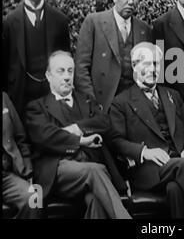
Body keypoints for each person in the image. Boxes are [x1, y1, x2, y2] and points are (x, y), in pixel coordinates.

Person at [108, 42, 184, 219]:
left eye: (156, 64)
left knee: (174, 189)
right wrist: (145, 152)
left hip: (178, 167)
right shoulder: (121, 102)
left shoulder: (173, 95)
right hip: (148, 170)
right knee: (183, 165)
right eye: (146, 64)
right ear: (134, 66)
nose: (152, 69)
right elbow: (116, 141)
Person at [26, 51, 131, 219]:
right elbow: (45, 136)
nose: (67, 77)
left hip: (90, 171)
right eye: (60, 71)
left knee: (96, 201)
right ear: (48, 75)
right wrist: (82, 140)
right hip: (58, 171)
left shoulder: (86, 101)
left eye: (70, 71)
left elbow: (104, 122)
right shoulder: (37, 107)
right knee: (95, 170)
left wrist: (76, 128)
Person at [3, 0, 70, 119]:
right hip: (19, 101)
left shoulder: (60, 21)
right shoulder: (9, 23)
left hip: (52, 102)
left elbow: (66, 62)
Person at [75, 0, 153, 112]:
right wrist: (92, 103)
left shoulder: (144, 29)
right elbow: (81, 69)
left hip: (134, 107)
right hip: (102, 105)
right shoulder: (94, 22)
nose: (131, 2)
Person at [3, 92, 43, 219]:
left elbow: (21, 138)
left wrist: (27, 170)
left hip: (6, 176)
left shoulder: (3, 98)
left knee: (33, 199)